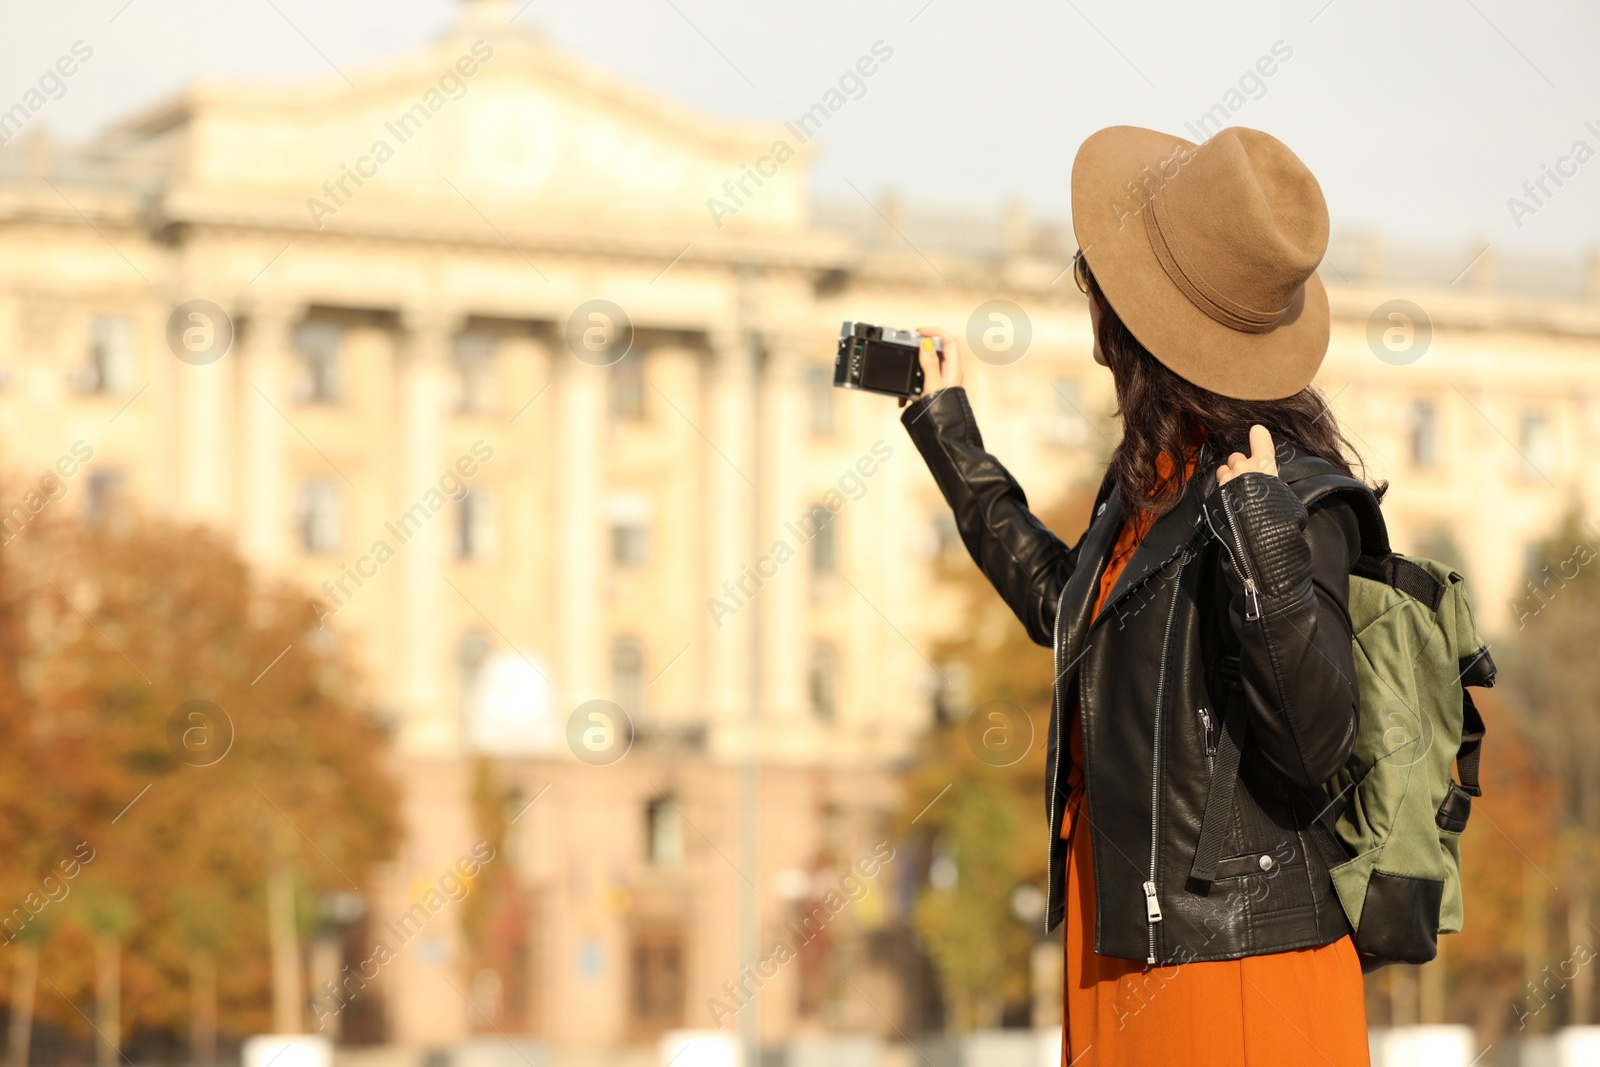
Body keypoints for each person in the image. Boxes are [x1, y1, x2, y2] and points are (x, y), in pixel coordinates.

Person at [899, 125, 1377, 1066]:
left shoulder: (1294, 492)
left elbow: (1317, 739)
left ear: (1131, 318)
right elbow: (1069, 616)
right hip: (1122, 942)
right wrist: (946, 433)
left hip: (1234, 973)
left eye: (1094, 272)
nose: (1089, 290)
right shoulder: (1150, 487)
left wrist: (1266, 547)